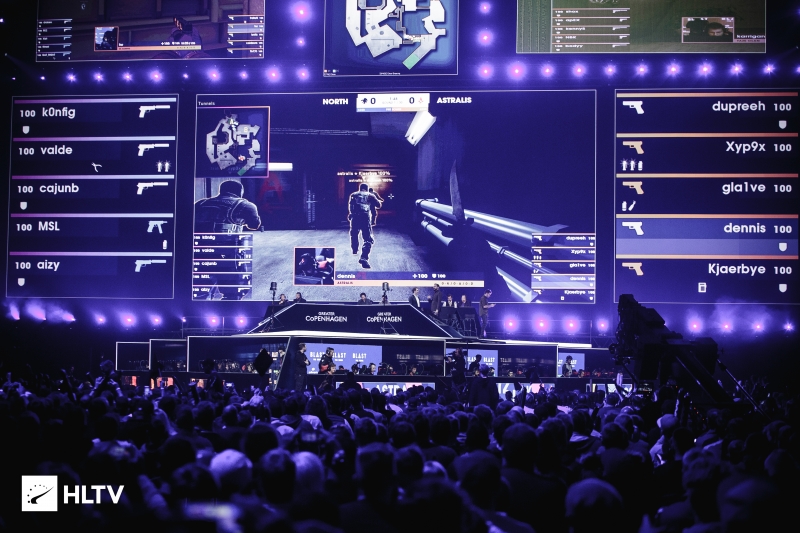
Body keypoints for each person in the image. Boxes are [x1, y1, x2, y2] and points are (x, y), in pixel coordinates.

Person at [194, 180, 261, 233]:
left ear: (221, 190)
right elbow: (254, 225)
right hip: (228, 243)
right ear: (240, 192)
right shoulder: (246, 205)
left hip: (199, 242)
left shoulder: (201, 203)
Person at [348, 183, 382, 269]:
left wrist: (351, 214)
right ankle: (364, 258)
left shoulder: (353, 195)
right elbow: (379, 205)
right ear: (366, 189)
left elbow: (351, 206)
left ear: (360, 188)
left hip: (355, 217)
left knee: (354, 233)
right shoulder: (370, 195)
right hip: (365, 217)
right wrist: (374, 199)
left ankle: (354, 248)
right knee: (368, 239)